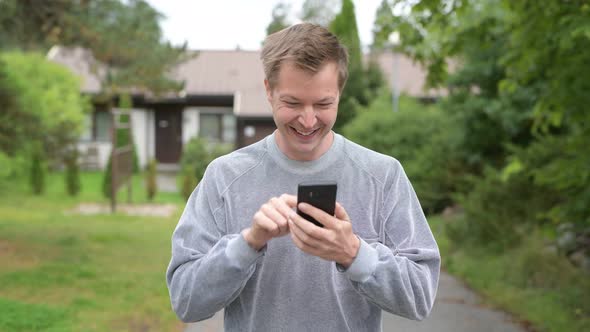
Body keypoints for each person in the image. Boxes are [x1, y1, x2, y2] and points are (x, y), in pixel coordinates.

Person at [166, 23, 440, 331]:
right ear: (268, 90)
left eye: (323, 104)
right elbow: (186, 301)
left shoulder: (383, 176)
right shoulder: (225, 177)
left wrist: (353, 252)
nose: (308, 121)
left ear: (340, 92)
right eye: (293, 103)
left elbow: (420, 297)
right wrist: (249, 243)